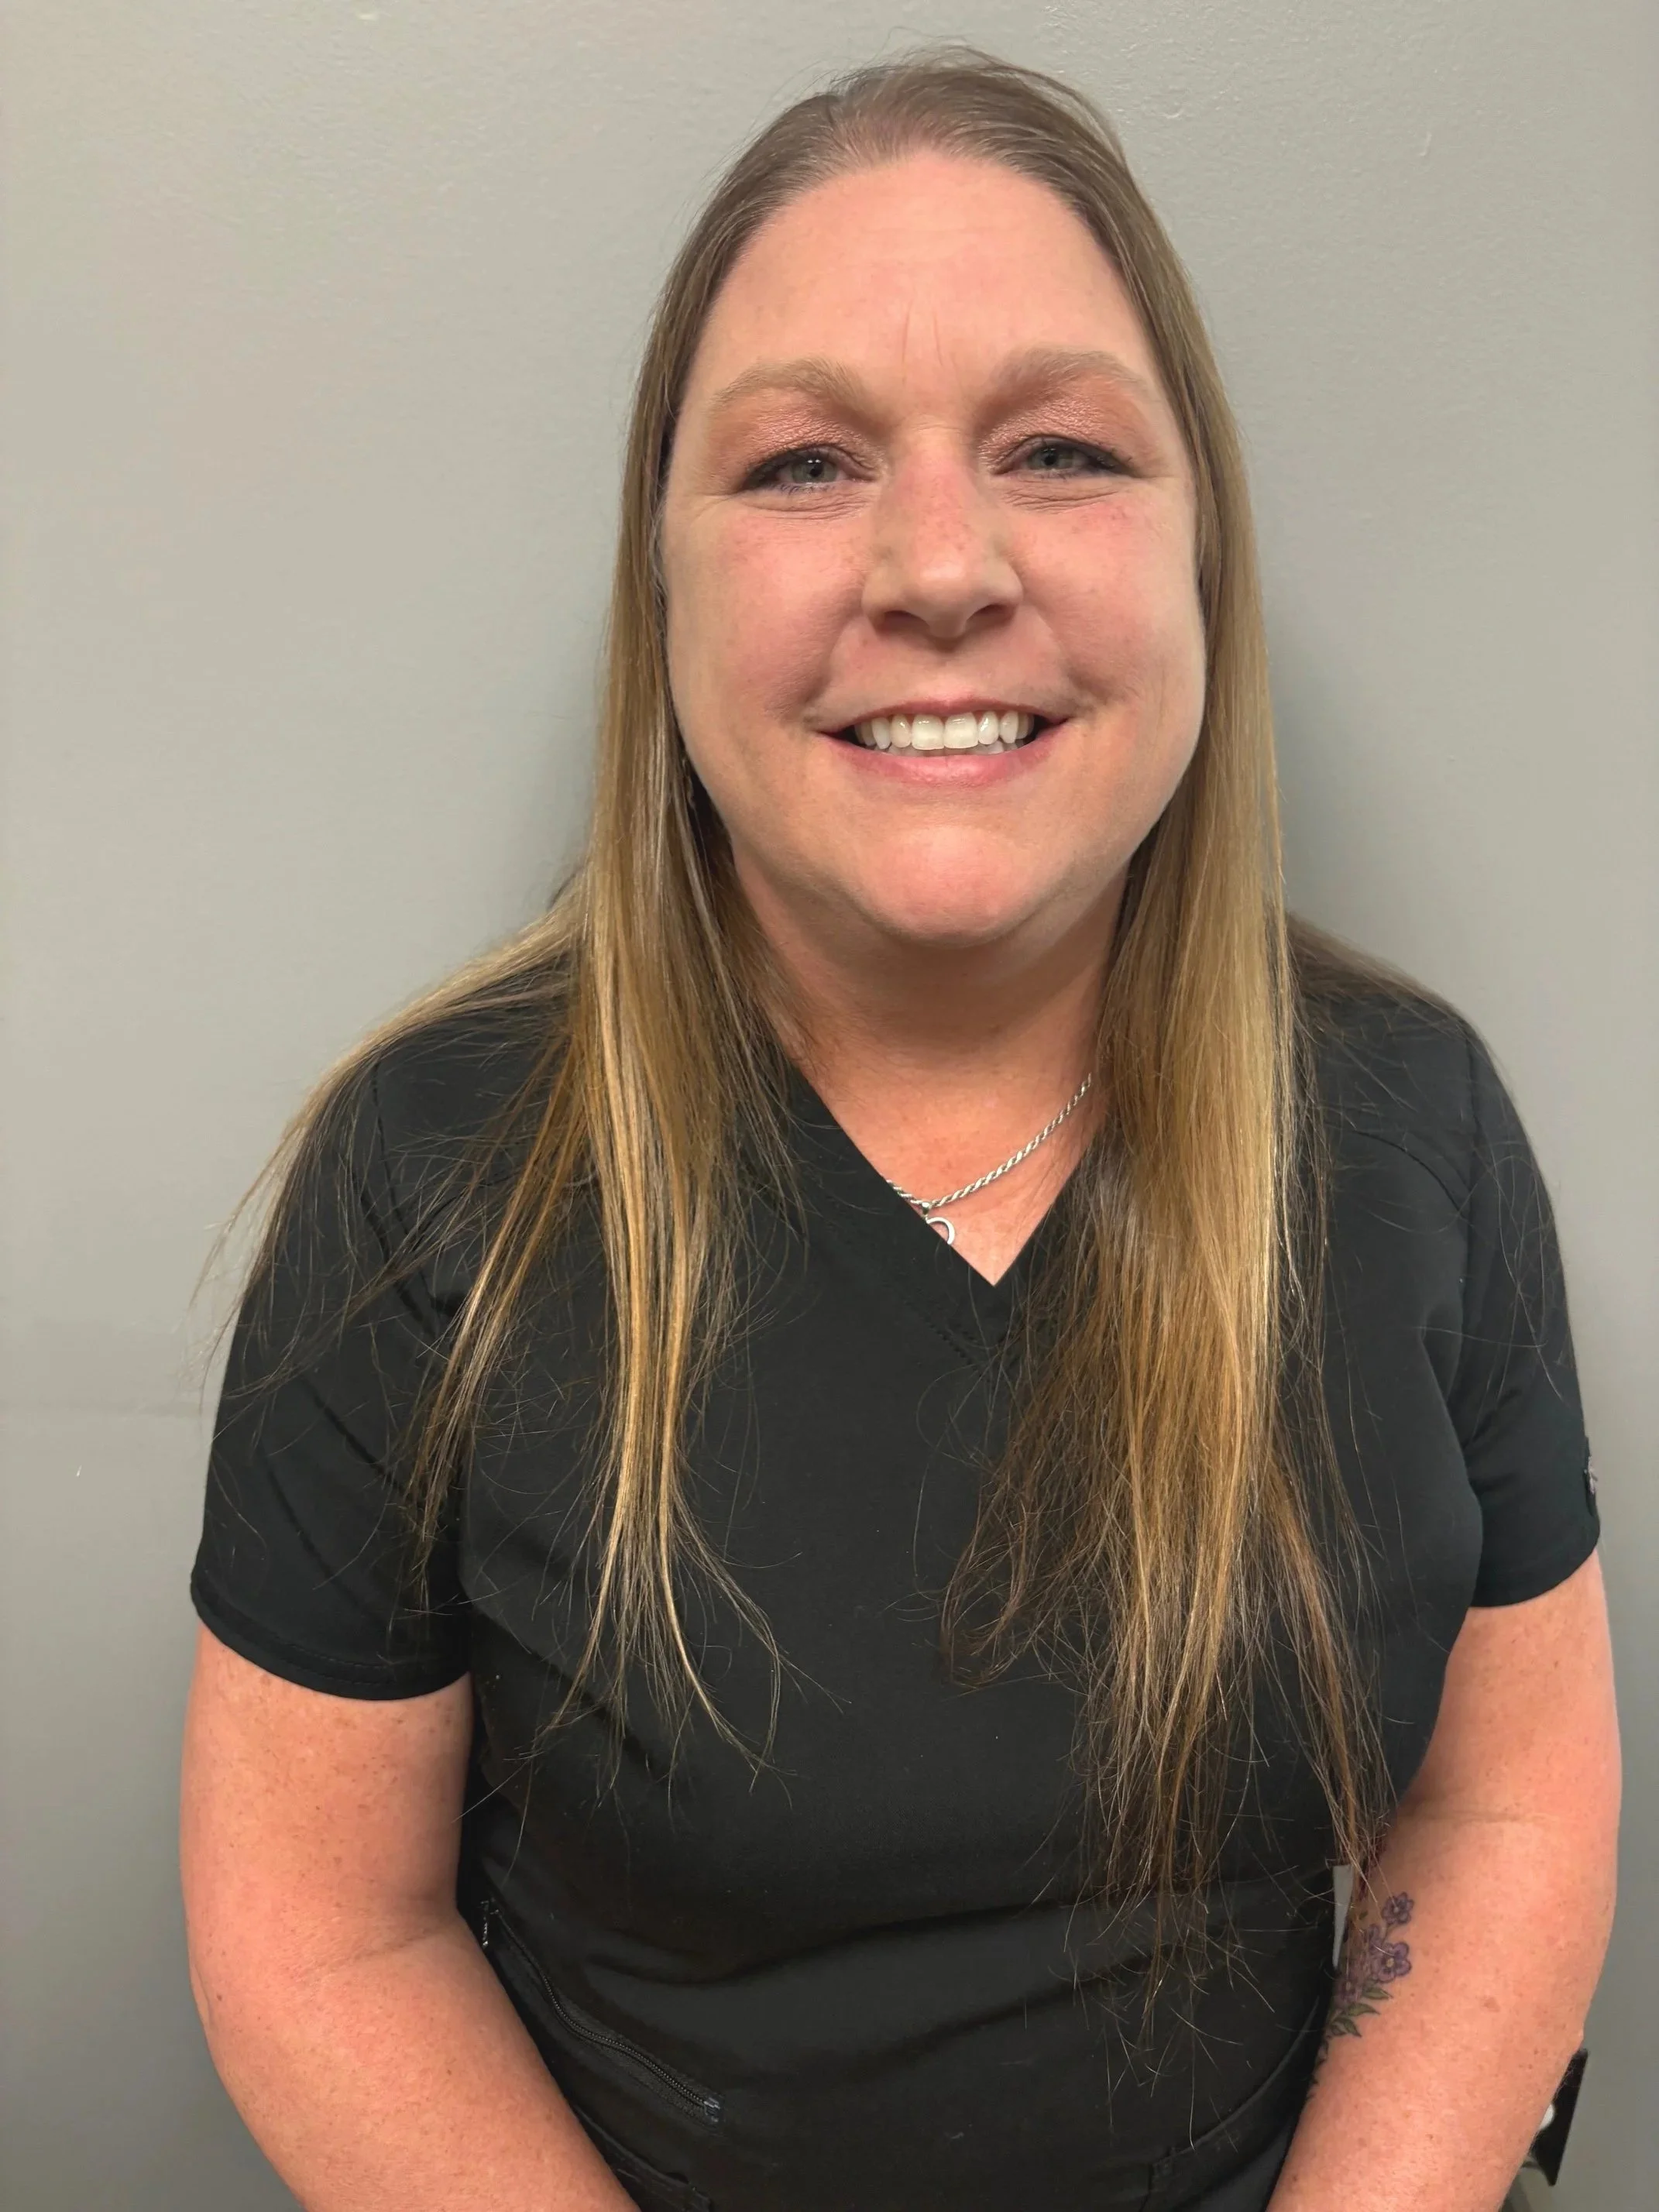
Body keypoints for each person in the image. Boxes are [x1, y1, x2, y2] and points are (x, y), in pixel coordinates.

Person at [178, 44, 1619, 2212]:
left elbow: (1505, 1805)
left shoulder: (1412, 1131)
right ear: (662, 586)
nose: (941, 566)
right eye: (801, 465)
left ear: (1202, 555)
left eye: (1060, 449)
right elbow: (320, 1931)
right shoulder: (430, 1177)